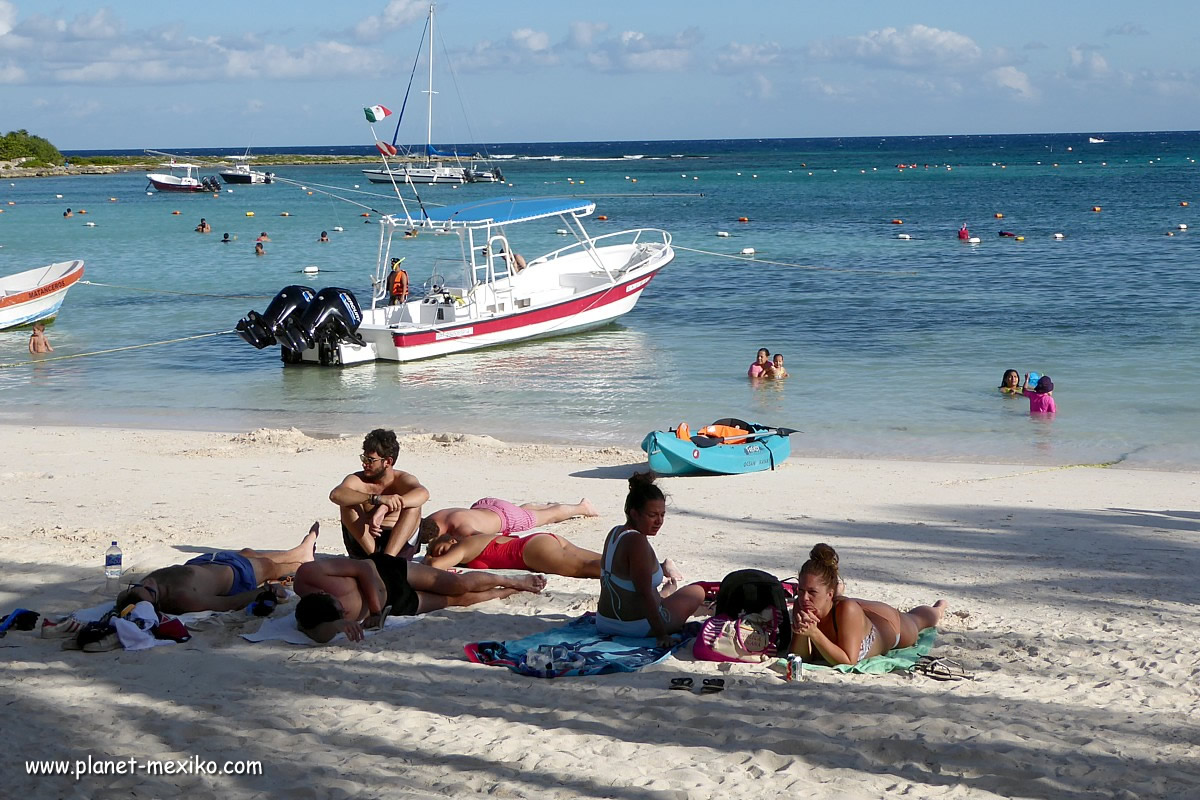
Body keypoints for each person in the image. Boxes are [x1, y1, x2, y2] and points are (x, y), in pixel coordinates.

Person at [293, 555, 545, 643]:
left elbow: (363, 568)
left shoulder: (310, 574)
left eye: (339, 609)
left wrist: (374, 610)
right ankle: (504, 592)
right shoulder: (315, 614)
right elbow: (315, 633)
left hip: (386, 573)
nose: (342, 611)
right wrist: (338, 624)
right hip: (394, 604)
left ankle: (513, 580)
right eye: (340, 613)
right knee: (456, 601)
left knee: (456, 585)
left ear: (324, 593)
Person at [789, 543, 947, 665]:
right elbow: (799, 657)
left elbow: (848, 660)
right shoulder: (801, 605)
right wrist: (804, 633)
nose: (804, 598)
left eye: (812, 592)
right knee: (844, 606)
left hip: (888, 624)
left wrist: (815, 634)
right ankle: (838, 593)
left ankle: (940, 608)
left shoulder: (847, 610)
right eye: (801, 590)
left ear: (828, 593)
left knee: (918, 619)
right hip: (847, 611)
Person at [596, 472, 706, 646]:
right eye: (652, 515)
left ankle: (665, 593)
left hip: (603, 621)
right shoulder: (636, 541)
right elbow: (644, 594)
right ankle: (665, 596)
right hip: (634, 627)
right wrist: (662, 636)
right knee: (698, 591)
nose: (659, 521)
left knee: (666, 592)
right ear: (634, 514)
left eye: (662, 515)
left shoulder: (615, 532)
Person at [115, 524, 319, 615]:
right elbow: (226, 604)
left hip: (208, 562)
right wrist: (262, 592)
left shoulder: (134, 596)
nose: (148, 583)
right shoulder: (182, 598)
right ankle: (300, 562)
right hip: (236, 576)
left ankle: (298, 551)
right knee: (270, 568)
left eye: (139, 585)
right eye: (149, 589)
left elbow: (124, 601)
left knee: (247, 552)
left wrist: (137, 592)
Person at [330, 429, 429, 560]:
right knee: (347, 503)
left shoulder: (401, 479)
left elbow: (423, 493)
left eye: (370, 460)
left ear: (387, 461)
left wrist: (386, 506)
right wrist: (376, 499)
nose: (364, 463)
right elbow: (336, 495)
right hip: (365, 544)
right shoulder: (358, 480)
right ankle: (377, 559)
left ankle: (387, 560)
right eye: (363, 458)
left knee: (414, 507)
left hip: (397, 546)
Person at [424, 531, 603, 578]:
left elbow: (434, 566)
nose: (440, 555)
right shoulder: (472, 541)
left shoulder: (462, 546)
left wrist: (429, 558)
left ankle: (628, 573)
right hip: (536, 542)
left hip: (528, 551)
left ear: (452, 541)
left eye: (441, 550)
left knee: (583, 568)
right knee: (601, 560)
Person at [418, 497, 597, 544]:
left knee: (549, 516)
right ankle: (537, 506)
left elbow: (483, 540)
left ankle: (582, 507)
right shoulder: (433, 517)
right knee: (525, 511)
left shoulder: (460, 529)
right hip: (485, 505)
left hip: (506, 518)